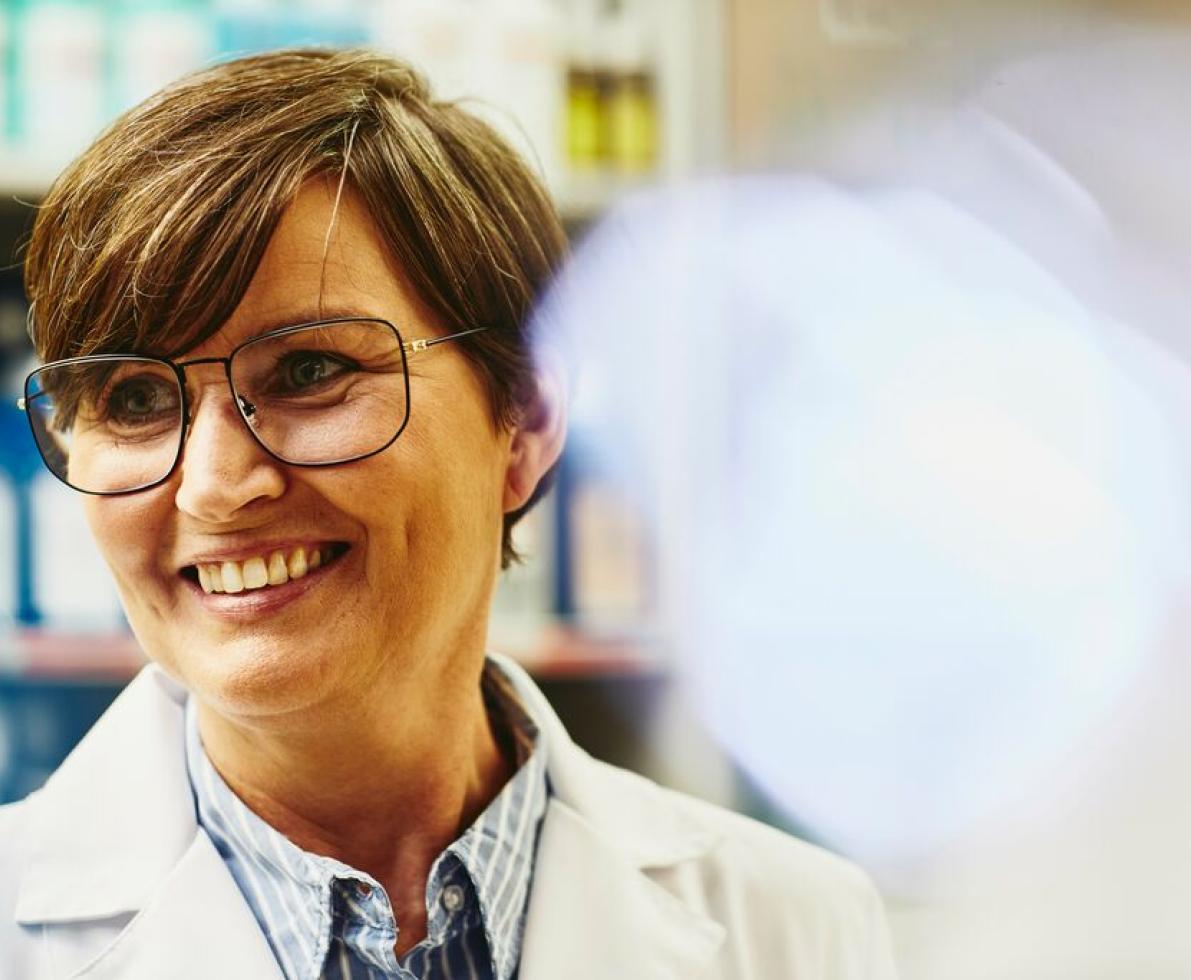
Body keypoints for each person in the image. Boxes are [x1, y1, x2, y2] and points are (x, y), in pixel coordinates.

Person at [0, 49, 897, 979]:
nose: (215, 488)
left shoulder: (798, 929)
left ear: (528, 422)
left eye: (311, 371)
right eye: (135, 401)